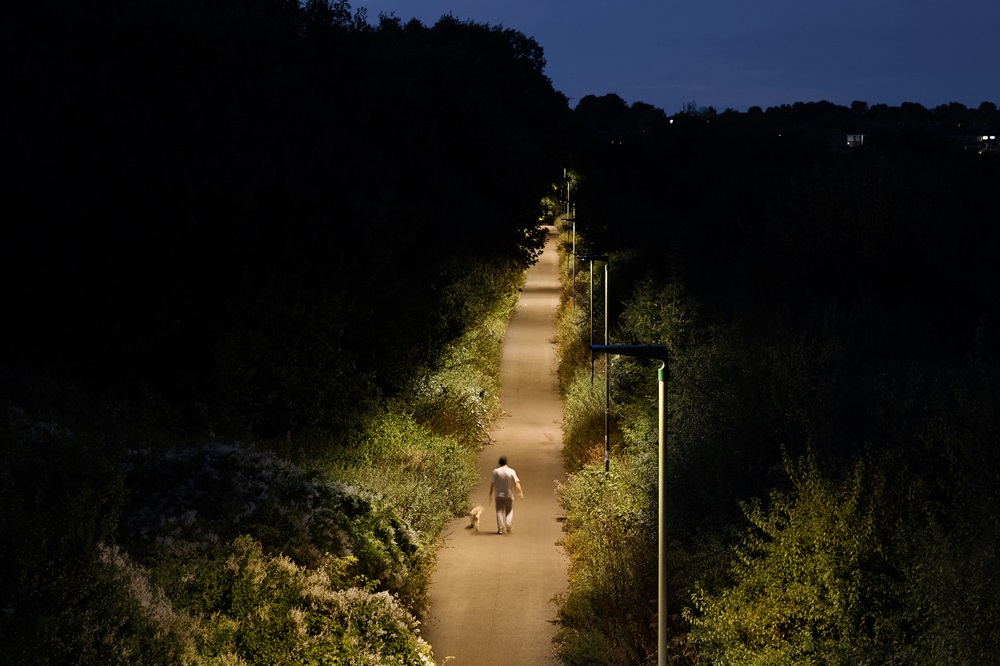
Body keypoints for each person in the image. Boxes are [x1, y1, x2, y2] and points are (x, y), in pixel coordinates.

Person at [489, 456, 523, 534]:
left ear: (499, 463)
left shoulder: (495, 471)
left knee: (499, 511)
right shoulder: (511, 471)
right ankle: (508, 523)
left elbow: (492, 483)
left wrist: (490, 491)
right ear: (506, 462)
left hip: (498, 495)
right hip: (509, 495)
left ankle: (500, 528)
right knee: (509, 510)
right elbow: (516, 483)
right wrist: (520, 492)